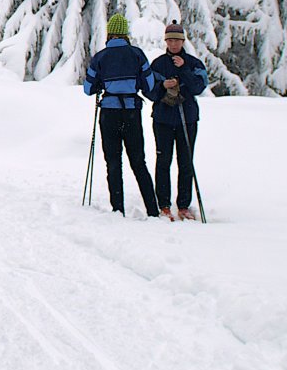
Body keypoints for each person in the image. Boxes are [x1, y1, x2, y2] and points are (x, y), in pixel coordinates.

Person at [83, 13, 160, 217]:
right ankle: (152, 209)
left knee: (113, 162)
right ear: (125, 34)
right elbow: (149, 85)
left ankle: (118, 209)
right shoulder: (137, 54)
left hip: (109, 113)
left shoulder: (100, 57)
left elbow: (88, 88)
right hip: (131, 112)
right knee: (138, 162)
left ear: (109, 34)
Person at [148, 20, 207, 221]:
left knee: (185, 161)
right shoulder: (157, 64)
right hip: (163, 119)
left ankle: (183, 205)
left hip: (187, 118)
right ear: (166, 41)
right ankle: (163, 204)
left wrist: (183, 72)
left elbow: (199, 87)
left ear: (183, 42)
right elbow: (149, 91)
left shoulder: (193, 63)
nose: (173, 44)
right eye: (170, 40)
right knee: (163, 161)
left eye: (177, 40)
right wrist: (163, 85)